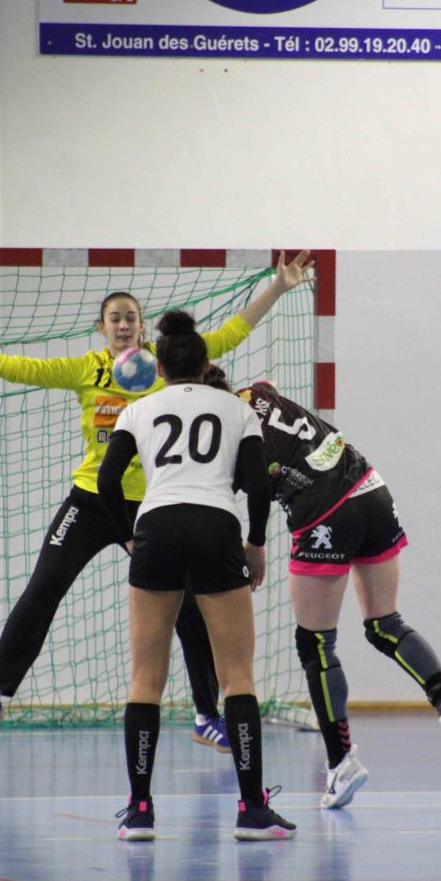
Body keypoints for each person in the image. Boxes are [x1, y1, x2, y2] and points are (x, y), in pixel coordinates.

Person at [0, 251, 314, 743]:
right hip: (92, 501)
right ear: (101, 327)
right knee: (44, 586)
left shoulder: (169, 362)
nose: (123, 324)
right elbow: (14, 367)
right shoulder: (88, 369)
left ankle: (207, 716)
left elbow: (232, 332)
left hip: (157, 505)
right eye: (115, 318)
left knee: (191, 607)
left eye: (131, 317)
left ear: (142, 326)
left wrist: (277, 287)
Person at [205, 367, 441, 809]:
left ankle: (341, 762)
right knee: (385, 623)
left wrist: (252, 544)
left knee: (315, 643)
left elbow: (253, 490)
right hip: (370, 488)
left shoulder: (226, 432)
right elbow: (271, 391)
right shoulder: (257, 392)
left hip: (324, 511)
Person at [97, 310, 297, 841]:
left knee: (146, 678)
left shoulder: (138, 410)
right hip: (216, 526)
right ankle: (251, 809)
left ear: (159, 367)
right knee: (238, 677)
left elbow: (108, 480)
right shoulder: (236, 410)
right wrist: (256, 544)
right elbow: (258, 485)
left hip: (157, 526)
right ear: (207, 365)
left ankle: (140, 810)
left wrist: (128, 536)